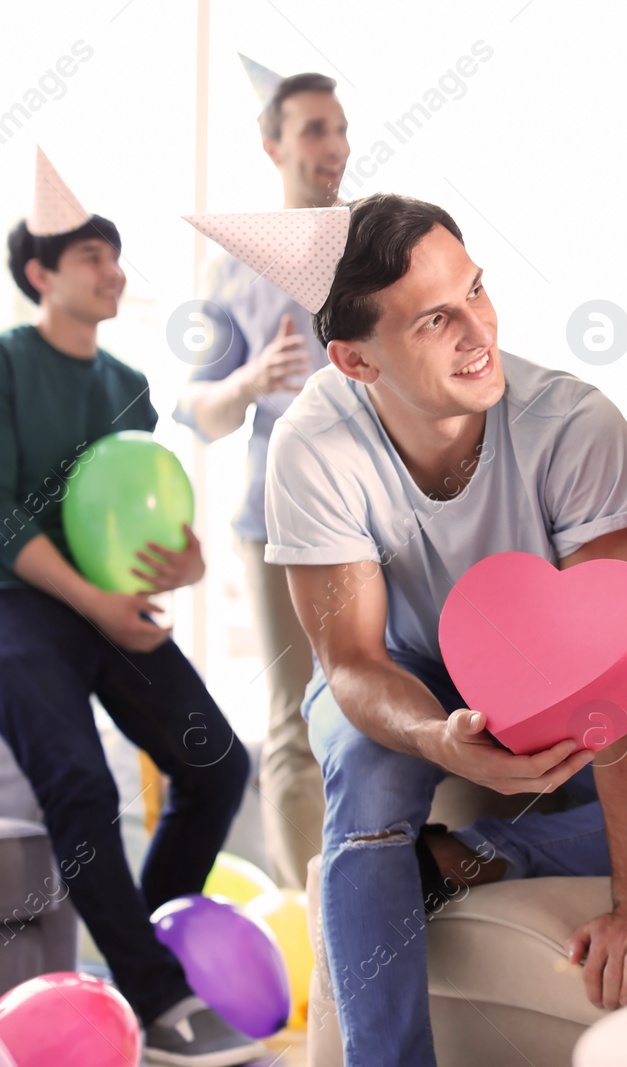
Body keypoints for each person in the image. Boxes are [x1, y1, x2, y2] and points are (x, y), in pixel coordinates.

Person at [199, 193, 627, 1065]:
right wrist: (435, 738)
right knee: (372, 791)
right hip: (401, 669)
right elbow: (352, 659)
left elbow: (611, 673)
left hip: (564, 672)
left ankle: (465, 858)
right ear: (354, 359)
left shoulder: (575, 425)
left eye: (478, 291)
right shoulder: (313, 443)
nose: (477, 330)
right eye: (434, 319)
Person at [1, 152, 260, 1065]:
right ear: (41, 273)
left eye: (117, 258)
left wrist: (184, 565)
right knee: (81, 784)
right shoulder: (4, 362)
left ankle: (140, 958)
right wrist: (94, 601)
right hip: (19, 608)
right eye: (93, 260)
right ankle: (156, 998)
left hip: (111, 606)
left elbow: (139, 511)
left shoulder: (128, 387)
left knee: (220, 766)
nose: (115, 275)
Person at [173, 64, 349, 890]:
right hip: (276, 522)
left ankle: (390, 905)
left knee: (386, 707)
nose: (335, 147)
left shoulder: (373, 242)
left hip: (383, 519)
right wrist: (251, 381)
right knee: (296, 722)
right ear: (272, 143)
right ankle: (311, 928)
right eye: (316, 129)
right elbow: (200, 413)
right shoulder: (237, 270)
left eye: (341, 128)